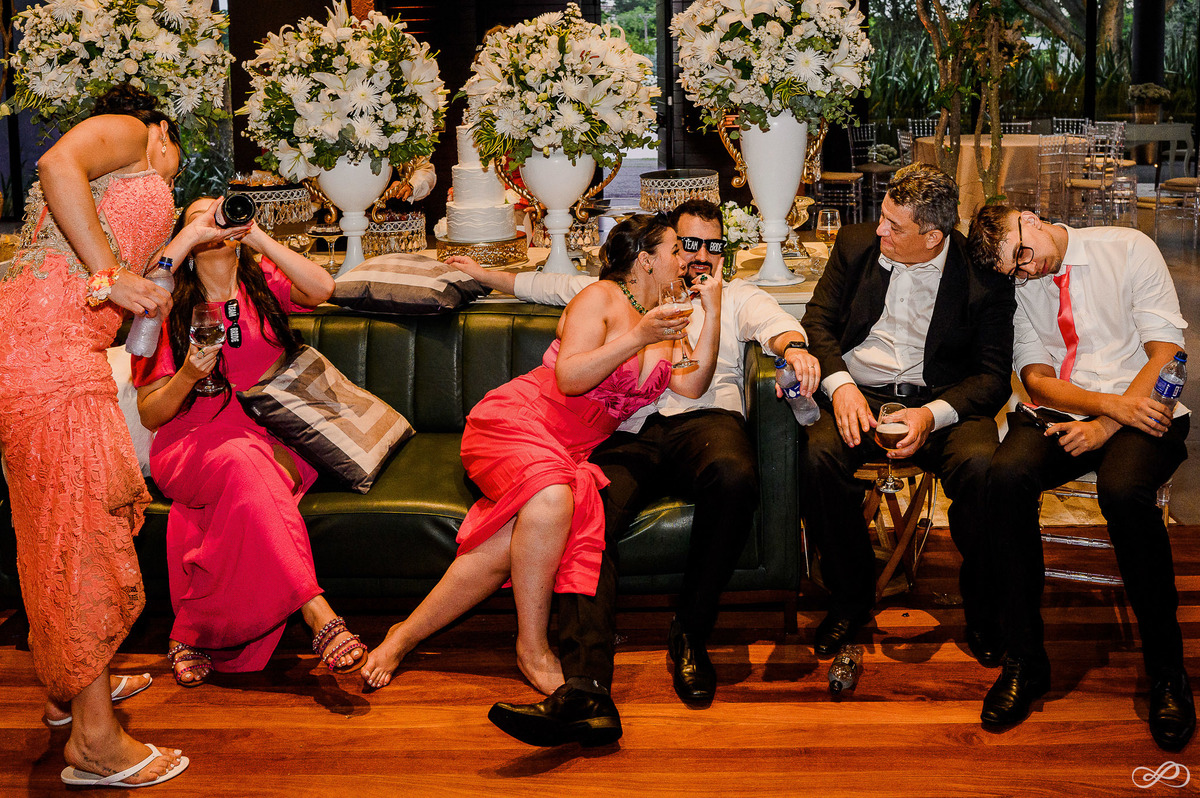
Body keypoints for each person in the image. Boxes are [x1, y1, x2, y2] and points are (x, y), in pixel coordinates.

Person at [452, 198, 817, 745]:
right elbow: (550, 288)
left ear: (724, 251)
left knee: (737, 476)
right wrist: (482, 274)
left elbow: (779, 326)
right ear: (662, 255)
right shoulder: (633, 296)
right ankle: (586, 685)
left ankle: (691, 633)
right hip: (628, 435)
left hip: (705, 423)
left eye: (710, 247)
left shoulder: (737, 295)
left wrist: (796, 348)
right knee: (584, 510)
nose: (698, 258)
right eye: (686, 245)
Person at [359, 215, 723, 702]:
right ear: (646, 260)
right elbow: (570, 379)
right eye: (677, 250)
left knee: (522, 533)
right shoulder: (600, 300)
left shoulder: (665, 315)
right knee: (552, 499)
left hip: (569, 447)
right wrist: (638, 337)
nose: (687, 259)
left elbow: (692, 384)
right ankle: (532, 649)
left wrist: (712, 311)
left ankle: (403, 635)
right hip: (519, 422)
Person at [0, 85, 196, 787]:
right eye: (180, 155)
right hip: (46, 352)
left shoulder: (115, 192)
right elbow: (56, 165)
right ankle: (93, 744)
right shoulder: (128, 129)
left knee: (57, 529)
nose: (175, 170)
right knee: (80, 535)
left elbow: (139, 285)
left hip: (42, 348)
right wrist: (112, 277)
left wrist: (189, 237)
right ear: (163, 128)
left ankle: (68, 690)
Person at [966, 205, 1193, 750]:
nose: (1025, 272)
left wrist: (1105, 425)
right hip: (1071, 408)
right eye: (1012, 271)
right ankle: (1026, 659)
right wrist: (1098, 413)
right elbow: (1037, 379)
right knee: (1003, 476)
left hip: (1147, 405)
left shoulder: (1128, 247)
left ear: (1033, 217)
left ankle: (1167, 671)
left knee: (1125, 491)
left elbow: (1168, 354)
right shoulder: (1021, 282)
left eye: (1023, 255)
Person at [131, 196, 364, 686]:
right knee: (240, 464)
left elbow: (323, 287)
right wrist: (188, 376)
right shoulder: (162, 302)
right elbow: (152, 412)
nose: (215, 222)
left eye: (222, 213)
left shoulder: (265, 287)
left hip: (279, 434)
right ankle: (315, 609)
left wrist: (255, 235)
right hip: (190, 441)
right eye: (200, 216)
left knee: (242, 475)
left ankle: (191, 630)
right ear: (185, 238)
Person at [799, 163, 1016, 664]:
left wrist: (931, 415)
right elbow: (819, 324)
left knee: (985, 471)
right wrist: (841, 387)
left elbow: (990, 377)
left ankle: (983, 610)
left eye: (895, 227)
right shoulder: (855, 246)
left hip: (941, 399)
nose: (880, 230)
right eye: (882, 217)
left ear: (934, 236)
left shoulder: (982, 275)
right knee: (816, 460)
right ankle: (850, 598)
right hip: (861, 391)